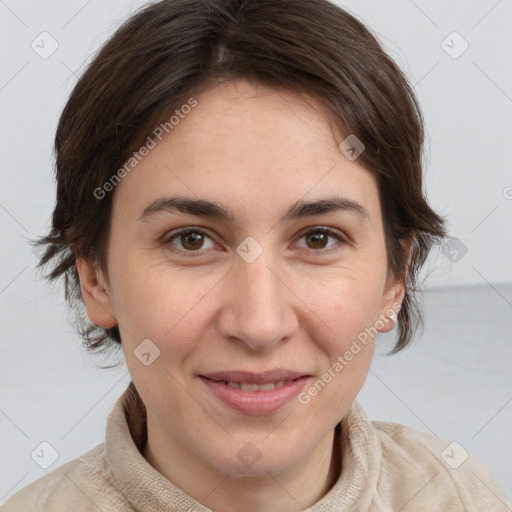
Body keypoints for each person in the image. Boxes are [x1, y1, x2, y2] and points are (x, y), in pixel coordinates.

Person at [4, 0, 511, 510]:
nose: (259, 324)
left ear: (393, 278)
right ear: (95, 277)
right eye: (192, 240)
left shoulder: (462, 495)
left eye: (318, 239)